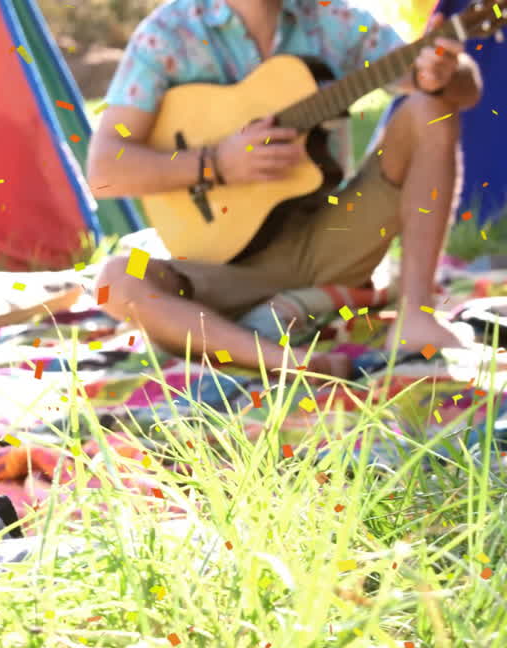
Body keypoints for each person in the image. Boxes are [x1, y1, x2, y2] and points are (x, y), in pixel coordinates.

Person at [88, 0, 485, 376]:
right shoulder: (167, 34)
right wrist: (216, 164)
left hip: (330, 241)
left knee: (430, 108)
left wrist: (442, 73)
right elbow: (104, 170)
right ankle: (289, 363)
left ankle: (417, 316)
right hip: (215, 270)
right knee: (115, 279)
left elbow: (463, 88)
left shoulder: (333, 17)